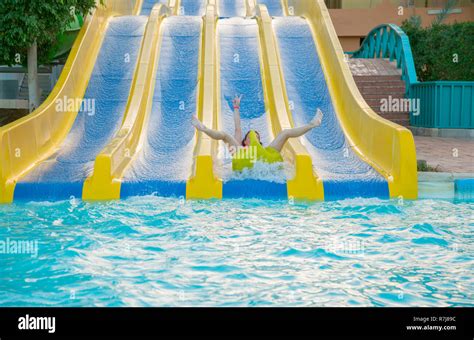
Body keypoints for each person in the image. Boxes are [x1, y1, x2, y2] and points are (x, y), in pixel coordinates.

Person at [192, 95, 323, 167]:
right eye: (250, 135)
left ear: (260, 141)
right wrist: (236, 107)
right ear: (245, 141)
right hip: (244, 158)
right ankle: (204, 128)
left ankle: (312, 124)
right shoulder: (239, 149)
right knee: (225, 135)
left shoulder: (268, 151)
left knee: (285, 133)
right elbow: (238, 127)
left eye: (256, 136)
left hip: (263, 158)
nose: (254, 136)